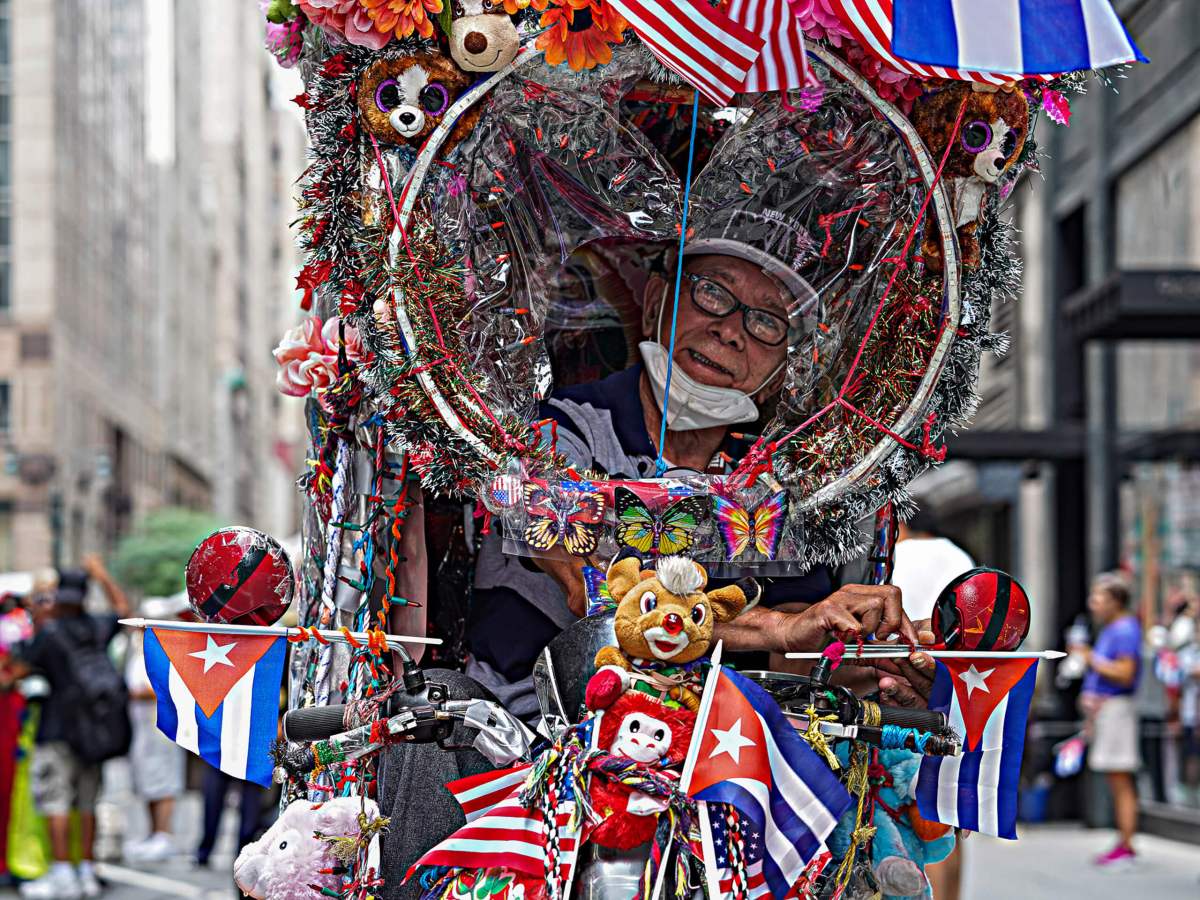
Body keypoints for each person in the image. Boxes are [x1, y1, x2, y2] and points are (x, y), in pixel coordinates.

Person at [377, 212, 934, 898]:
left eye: (767, 322)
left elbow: (805, 636)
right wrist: (779, 627)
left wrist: (871, 661)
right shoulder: (559, 436)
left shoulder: (783, 480)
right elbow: (600, 596)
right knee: (433, 730)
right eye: (712, 294)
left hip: (712, 773)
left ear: (786, 360)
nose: (731, 330)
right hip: (522, 749)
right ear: (654, 301)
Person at [16, 555, 132, 899]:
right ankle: (86, 871)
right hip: (94, 732)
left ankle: (62, 872)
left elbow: (17, 670)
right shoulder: (97, 627)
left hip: (56, 730)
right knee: (87, 804)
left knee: (56, 804)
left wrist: (38, 616)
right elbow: (124, 608)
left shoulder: (49, 634)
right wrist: (101, 574)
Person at [890, 505, 973, 900]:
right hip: (957, 692)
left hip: (898, 689)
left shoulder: (897, 554)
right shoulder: (958, 556)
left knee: (906, 808)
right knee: (949, 815)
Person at [1072, 572, 1142, 867]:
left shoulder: (1125, 629)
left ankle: (1126, 844)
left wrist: (1090, 659)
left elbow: (1125, 673)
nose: (1093, 603)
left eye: (1098, 597)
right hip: (1105, 712)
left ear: (1115, 600)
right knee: (1115, 778)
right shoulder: (1114, 628)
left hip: (1115, 711)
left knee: (1120, 778)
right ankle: (1122, 841)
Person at [123, 608, 186, 864]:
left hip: (160, 722)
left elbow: (169, 685)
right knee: (146, 779)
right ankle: (152, 833)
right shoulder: (137, 647)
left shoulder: (169, 647)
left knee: (164, 778)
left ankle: (164, 833)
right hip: (139, 725)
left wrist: (137, 694)